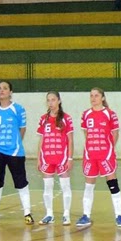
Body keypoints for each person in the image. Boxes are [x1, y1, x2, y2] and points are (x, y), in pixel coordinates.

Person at [0, 81, 33, 224]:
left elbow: (22, 129)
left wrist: (15, 143)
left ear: (11, 92)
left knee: (21, 182)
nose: (2, 91)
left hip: (15, 152)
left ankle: (27, 212)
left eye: (5, 88)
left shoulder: (18, 109)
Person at [76, 87, 121, 227]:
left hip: (106, 154)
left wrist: (109, 148)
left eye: (96, 95)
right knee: (89, 185)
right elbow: (87, 133)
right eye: (91, 95)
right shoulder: (86, 114)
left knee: (112, 184)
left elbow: (115, 134)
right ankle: (86, 215)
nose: (93, 98)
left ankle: (119, 215)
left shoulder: (110, 114)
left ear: (102, 98)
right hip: (90, 155)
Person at [36, 91, 74, 226]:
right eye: (48, 100)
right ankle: (49, 214)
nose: (50, 103)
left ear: (59, 101)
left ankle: (66, 214)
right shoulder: (43, 119)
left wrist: (69, 158)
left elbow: (70, 140)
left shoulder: (66, 118)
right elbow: (41, 139)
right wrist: (39, 158)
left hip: (62, 158)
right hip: (47, 158)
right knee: (47, 187)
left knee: (65, 186)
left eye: (53, 100)